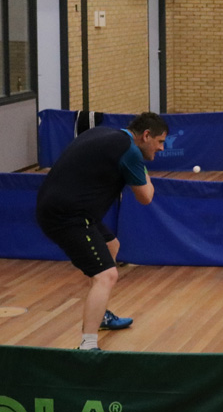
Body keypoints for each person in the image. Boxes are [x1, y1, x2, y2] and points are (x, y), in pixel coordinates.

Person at [35, 112, 169, 351]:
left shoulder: (102, 133)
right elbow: (146, 197)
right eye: (159, 141)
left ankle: (102, 315)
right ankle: (88, 345)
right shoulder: (130, 152)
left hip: (63, 207)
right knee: (106, 275)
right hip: (69, 216)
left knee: (111, 245)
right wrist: (144, 173)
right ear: (146, 135)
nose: (161, 148)